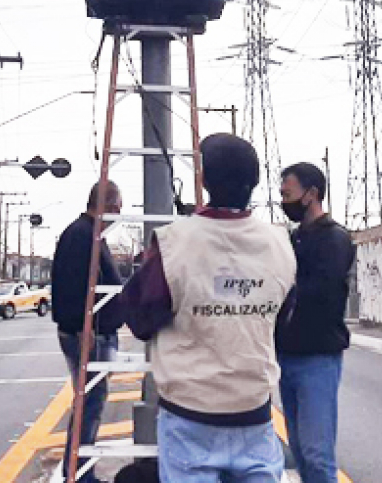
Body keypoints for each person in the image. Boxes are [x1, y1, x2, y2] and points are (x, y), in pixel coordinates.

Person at [123, 134, 296, 483]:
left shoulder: (174, 241)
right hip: (255, 413)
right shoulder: (282, 242)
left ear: (204, 180)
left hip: (189, 418)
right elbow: (283, 317)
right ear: (256, 182)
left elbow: (140, 319)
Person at [275, 163, 356, 483]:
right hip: (288, 356)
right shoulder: (293, 238)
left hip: (317, 358)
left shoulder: (334, 239)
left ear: (312, 194)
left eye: (288, 194)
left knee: (317, 456)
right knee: (299, 450)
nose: (284, 201)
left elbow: (323, 295)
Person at [52, 181, 125, 483]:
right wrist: (82, 329)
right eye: (117, 208)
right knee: (89, 404)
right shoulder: (83, 236)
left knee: (89, 403)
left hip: (93, 332)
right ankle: (80, 474)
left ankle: (80, 471)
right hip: (89, 335)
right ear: (106, 205)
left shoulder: (88, 234)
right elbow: (71, 288)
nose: (119, 214)